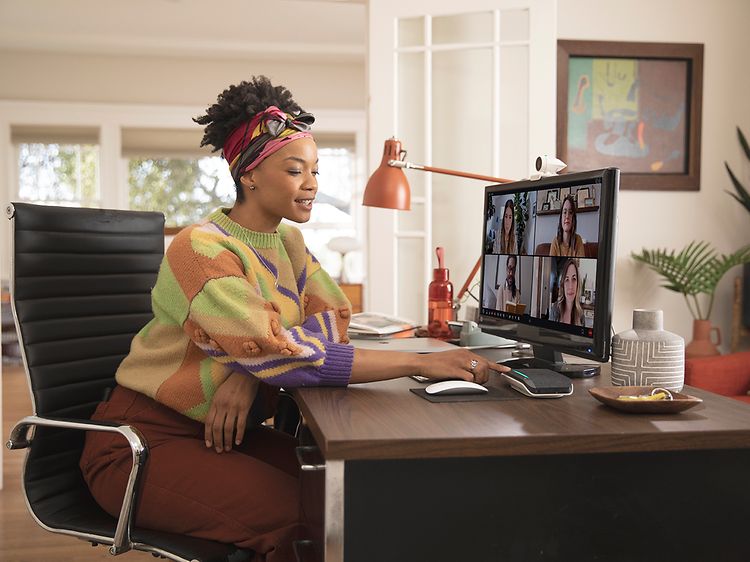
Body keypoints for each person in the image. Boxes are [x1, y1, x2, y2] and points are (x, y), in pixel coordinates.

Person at [78, 76, 509, 562]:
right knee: (310, 523)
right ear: (250, 175)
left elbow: (333, 317)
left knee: (352, 491)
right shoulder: (201, 248)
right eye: (294, 170)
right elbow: (281, 352)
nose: (312, 185)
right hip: (139, 444)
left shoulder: (288, 243)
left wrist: (250, 364)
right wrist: (419, 362)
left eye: (316, 171)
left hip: (220, 433)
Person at [549, 259, 584, 325]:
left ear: (578, 284)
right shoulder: (555, 309)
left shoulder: (581, 316)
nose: (570, 286)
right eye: (567, 279)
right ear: (563, 284)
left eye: (574, 279)